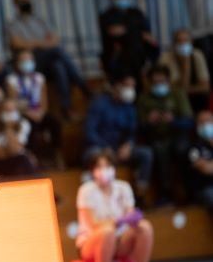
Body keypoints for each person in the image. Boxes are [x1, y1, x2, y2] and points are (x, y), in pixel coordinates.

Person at [76, 149, 154, 262]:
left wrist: (133, 218)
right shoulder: (86, 190)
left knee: (145, 227)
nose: (104, 170)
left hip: (119, 241)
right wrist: (116, 221)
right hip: (91, 242)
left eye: (107, 166)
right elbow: (94, 224)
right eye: (99, 167)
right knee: (107, 231)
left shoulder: (123, 187)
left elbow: (130, 215)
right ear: (93, 171)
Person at [8, 0, 89, 117]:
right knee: (57, 52)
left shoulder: (40, 20)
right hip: (32, 62)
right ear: (15, 2)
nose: (26, 1)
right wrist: (43, 43)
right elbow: (17, 43)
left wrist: (33, 43)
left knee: (58, 65)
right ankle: (82, 85)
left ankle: (65, 107)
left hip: (48, 59)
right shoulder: (13, 24)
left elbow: (55, 39)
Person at [85, 72, 153, 198]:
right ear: (117, 86)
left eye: (133, 86)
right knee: (95, 155)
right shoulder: (99, 104)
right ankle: (101, 197)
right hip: (100, 147)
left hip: (120, 149)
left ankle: (140, 195)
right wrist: (105, 148)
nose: (130, 90)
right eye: (127, 86)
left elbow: (132, 132)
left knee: (146, 154)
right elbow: (90, 132)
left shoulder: (130, 107)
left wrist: (128, 145)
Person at [137, 65, 193, 202]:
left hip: (178, 136)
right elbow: (138, 126)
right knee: (159, 150)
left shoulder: (177, 94)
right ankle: (165, 193)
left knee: (182, 149)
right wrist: (149, 121)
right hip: (156, 137)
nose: (159, 85)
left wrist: (174, 121)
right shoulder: (144, 99)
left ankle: (189, 192)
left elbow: (189, 122)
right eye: (155, 82)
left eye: (162, 81)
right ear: (150, 83)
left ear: (168, 80)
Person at [6, 49, 62, 169]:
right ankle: (35, 160)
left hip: (39, 112)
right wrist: (29, 113)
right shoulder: (12, 80)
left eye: (29, 60)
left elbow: (44, 102)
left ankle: (56, 156)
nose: (27, 63)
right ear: (17, 63)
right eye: (24, 60)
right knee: (29, 125)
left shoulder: (39, 78)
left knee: (55, 122)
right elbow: (14, 103)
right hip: (23, 114)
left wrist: (40, 113)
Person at [99, 0, 158, 83]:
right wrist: (135, 30)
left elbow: (146, 34)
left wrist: (128, 30)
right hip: (119, 57)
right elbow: (113, 32)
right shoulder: (106, 15)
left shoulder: (136, 13)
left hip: (139, 54)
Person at [159, 29, 211, 112]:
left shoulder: (197, 55)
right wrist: (186, 65)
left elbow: (205, 87)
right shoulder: (166, 58)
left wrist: (185, 89)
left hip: (195, 98)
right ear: (174, 44)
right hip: (174, 99)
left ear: (191, 42)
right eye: (179, 41)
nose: (183, 44)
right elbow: (170, 87)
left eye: (186, 40)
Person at [0, 98, 36, 178]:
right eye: (7, 111)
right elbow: (0, 154)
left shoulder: (24, 124)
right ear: (0, 112)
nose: (10, 115)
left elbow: (15, 150)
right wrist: (7, 127)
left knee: (24, 160)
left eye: (12, 111)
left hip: (16, 160)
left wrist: (9, 129)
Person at [188, 110, 213, 212]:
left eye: (208, 121)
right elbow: (206, 169)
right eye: (202, 122)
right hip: (206, 188)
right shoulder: (194, 148)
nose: (206, 125)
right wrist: (208, 166)